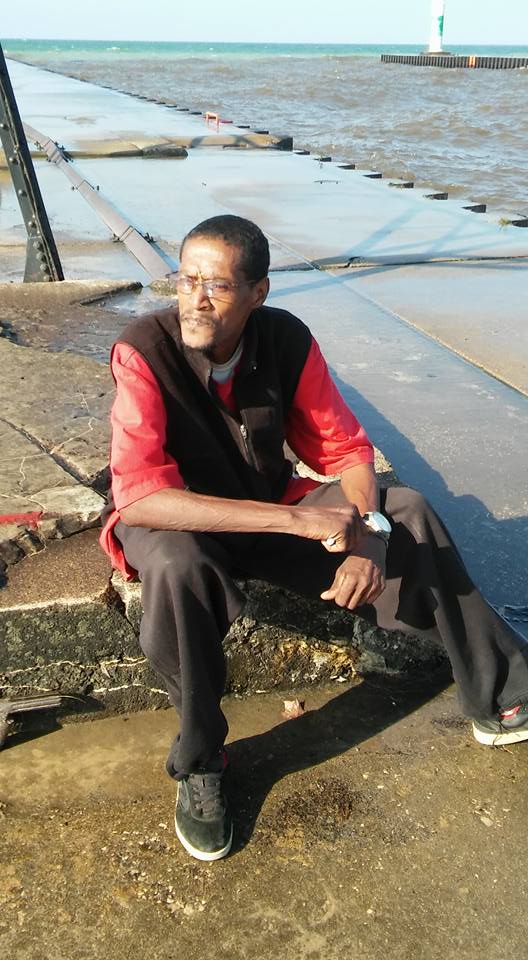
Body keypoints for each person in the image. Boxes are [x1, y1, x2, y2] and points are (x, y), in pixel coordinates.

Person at [100, 214, 528, 863]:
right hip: (175, 522)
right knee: (177, 567)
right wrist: (297, 521)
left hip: (267, 506)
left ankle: (504, 693)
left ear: (259, 293)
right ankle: (201, 763)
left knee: (409, 508)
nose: (196, 298)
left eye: (216, 285)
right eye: (186, 280)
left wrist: (369, 535)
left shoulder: (286, 340)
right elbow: (140, 494)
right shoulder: (143, 350)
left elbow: (346, 448)